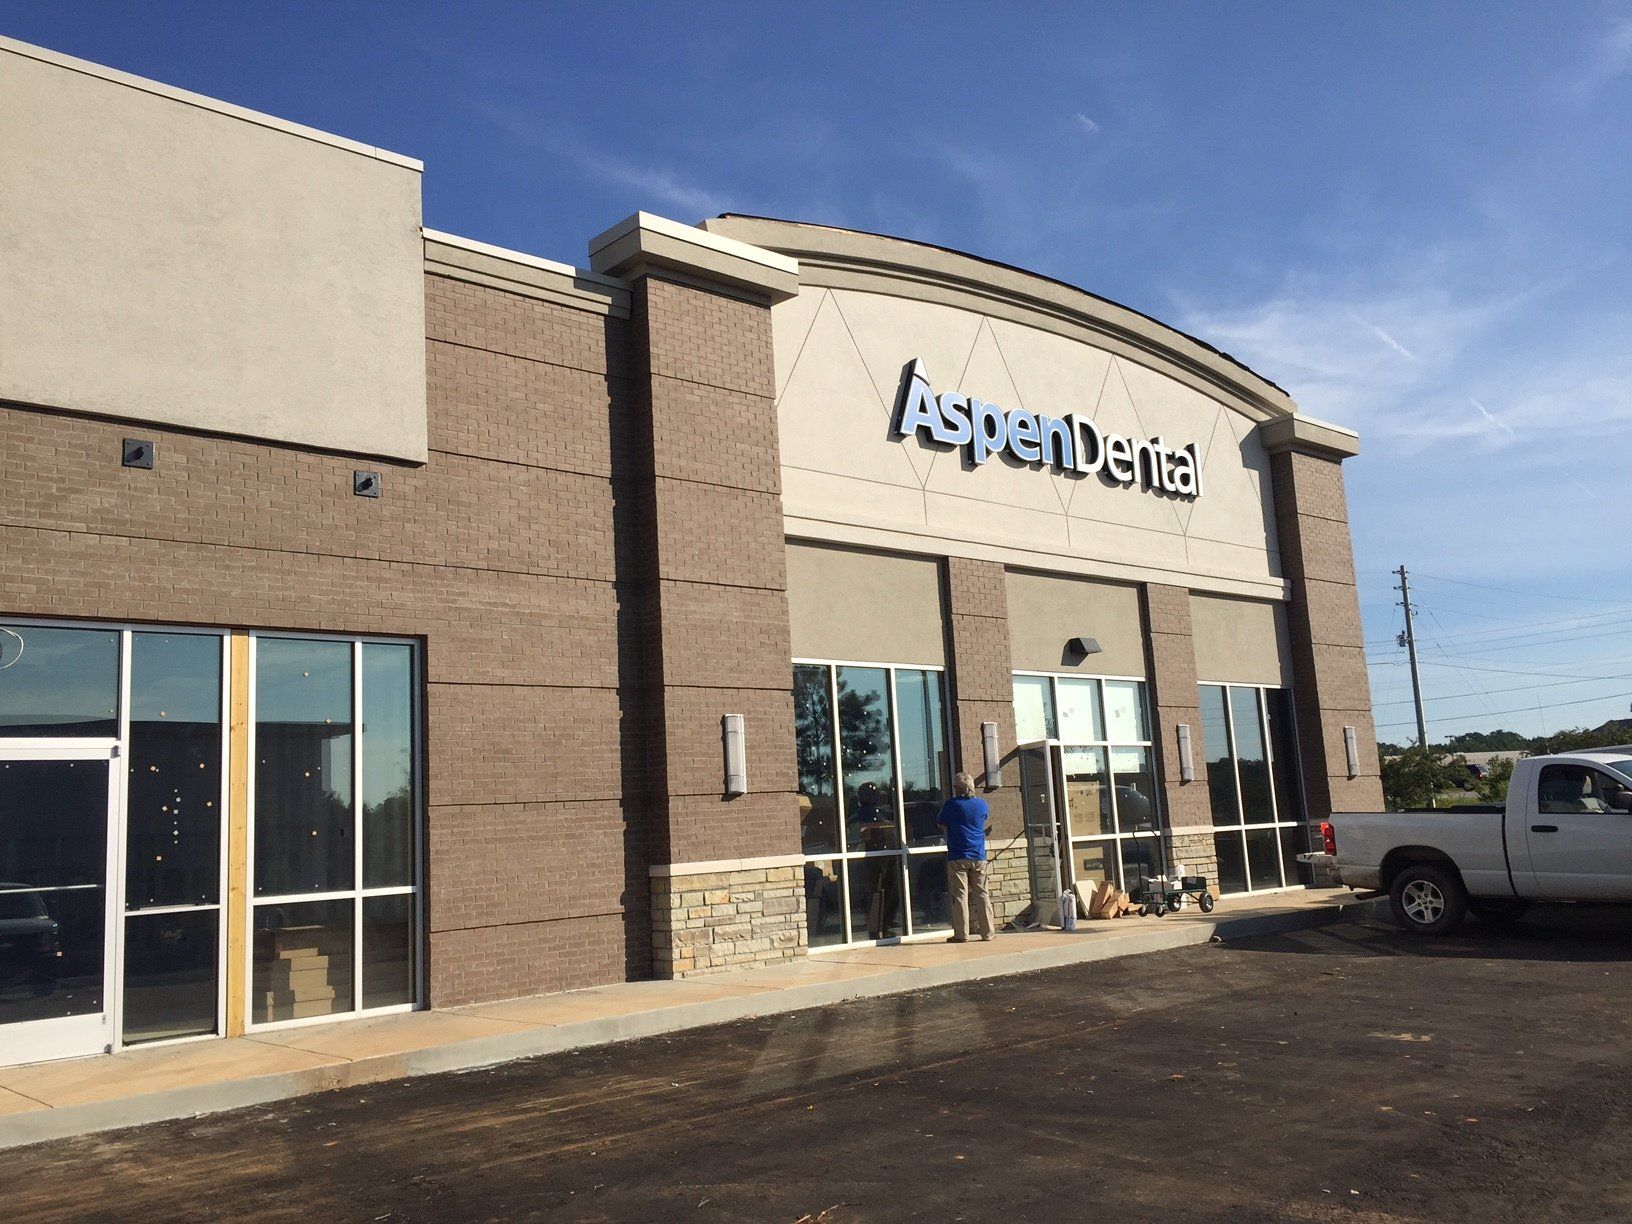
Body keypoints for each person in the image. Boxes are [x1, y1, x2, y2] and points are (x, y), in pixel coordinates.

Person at [936, 772, 995, 943]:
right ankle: (988, 933)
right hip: (978, 855)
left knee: (960, 896)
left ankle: (961, 934)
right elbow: (983, 820)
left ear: (957, 789)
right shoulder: (981, 805)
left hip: (958, 856)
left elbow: (940, 822)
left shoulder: (951, 805)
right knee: (982, 894)